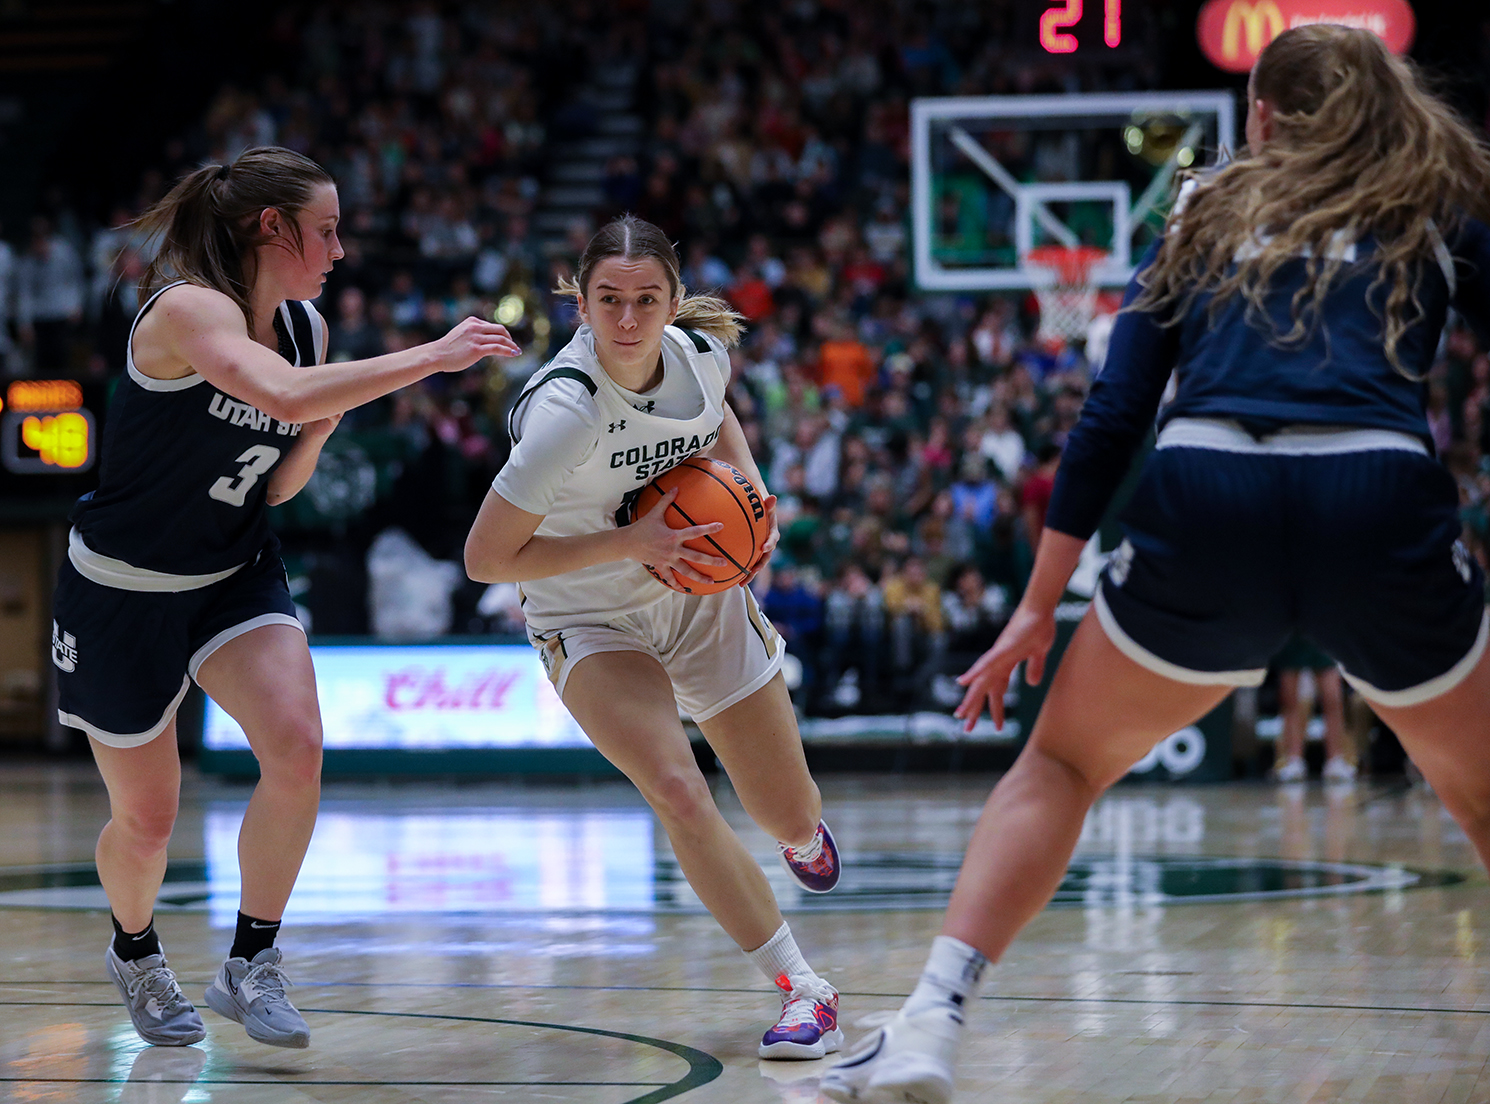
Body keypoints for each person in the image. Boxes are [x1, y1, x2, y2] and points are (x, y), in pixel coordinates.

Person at [824, 26, 1490, 1103]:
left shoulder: (1203, 200)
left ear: (1261, 115)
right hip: (1375, 494)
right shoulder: (1430, 196)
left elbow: (1112, 415)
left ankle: (928, 1024)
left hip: (1206, 489)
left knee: (1058, 767)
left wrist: (1037, 608)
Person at [52, 146, 518, 1051]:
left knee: (298, 746)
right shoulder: (189, 309)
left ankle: (251, 962)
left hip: (232, 572)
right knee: (146, 820)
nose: (339, 250)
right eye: (327, 230)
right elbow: (277, 391)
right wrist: (434, 354)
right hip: (122, 590)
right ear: (272, 228)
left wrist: (318, 429)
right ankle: (136, 953)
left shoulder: (304, 327)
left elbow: (275, 484)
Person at [464, 214, 845, 1059]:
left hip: (700, 596)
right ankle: (801, 988)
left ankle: (799, 831)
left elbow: (714, 423)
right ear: (580, 304)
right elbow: (486, 558)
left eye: (646, 300)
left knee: (787, 808)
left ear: (674, 300)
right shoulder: (563, 412)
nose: (629, 320)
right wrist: (629, 544)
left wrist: (749, 495)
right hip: (586, 614)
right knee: (677, 790)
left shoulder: (705, 355)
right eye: (609, 301)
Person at [1270, 634, 1354, 782]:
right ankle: (1294, 760)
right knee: (1290, 699)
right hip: (1294, 629)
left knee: (1332, 697)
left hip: (1322, 626)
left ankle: (1335, 759)